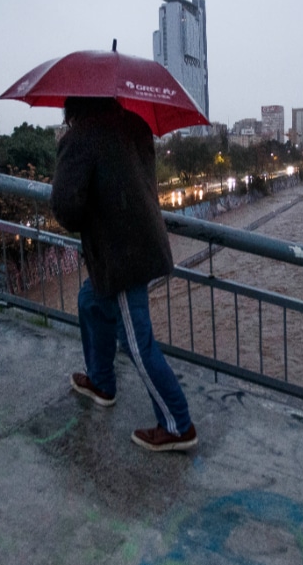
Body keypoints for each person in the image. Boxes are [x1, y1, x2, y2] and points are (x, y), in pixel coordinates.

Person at [50, 96, 197, 452]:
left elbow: (67, 210)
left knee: (136, 341)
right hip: (141, 242)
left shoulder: (81, 138)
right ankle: (101, 381)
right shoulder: (135, 126)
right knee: (89, 300)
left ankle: (178, 425)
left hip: (121, 256)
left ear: (74, 106)